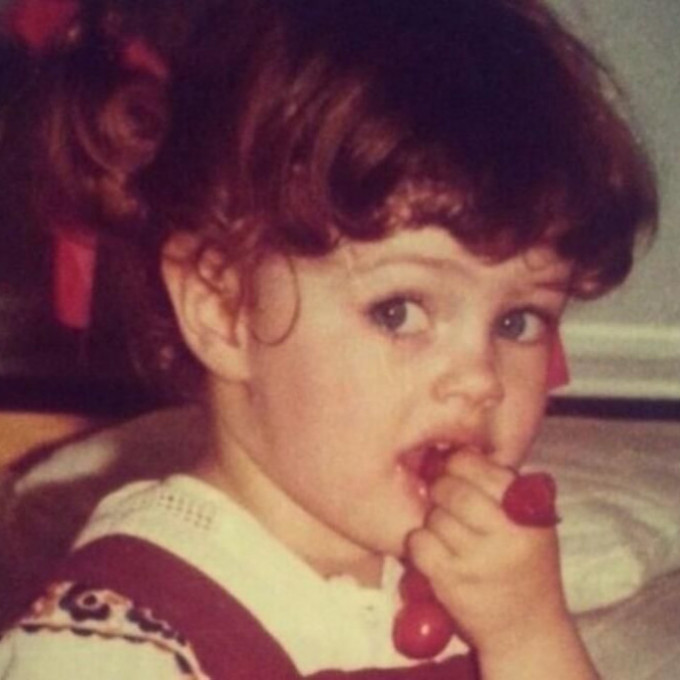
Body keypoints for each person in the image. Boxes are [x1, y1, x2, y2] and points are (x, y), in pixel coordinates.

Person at [0, 0, 656, 677]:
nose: (481, 379)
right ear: (223, 309)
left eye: (517, 322)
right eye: (398, 311)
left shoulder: (478, 588)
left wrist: (529, 637)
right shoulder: (118, 640)